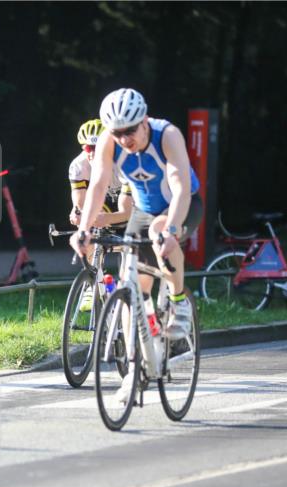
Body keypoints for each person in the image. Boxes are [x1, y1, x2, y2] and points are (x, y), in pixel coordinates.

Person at [71, 88, 202, 338]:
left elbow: (181, 188)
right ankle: (135, 361)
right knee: (132, 287)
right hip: (144, 210)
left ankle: (179, 302)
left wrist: (172, 229)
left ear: (144, 121)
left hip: (182, 204)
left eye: (130, 130)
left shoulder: (167, 135)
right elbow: (97, 188)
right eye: (117, 133)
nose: (124, 139)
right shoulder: (109, 142)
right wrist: (84, 229)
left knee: (158, 231)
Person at [67, 118, 134, 311]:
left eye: (97, 147)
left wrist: (102, 219)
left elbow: (126, 212)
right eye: (88, 148)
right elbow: (81, 200)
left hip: (132, 209)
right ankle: (93, 283)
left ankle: (126, 297)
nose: (92, 153)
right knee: (89, 234)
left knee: (129, 273)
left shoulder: (124, 163)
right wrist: (81, 215)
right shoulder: (78, 166)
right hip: (103, 206)